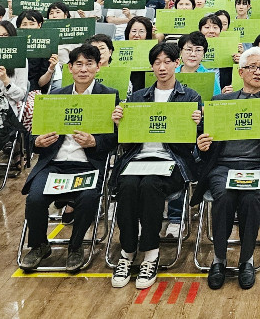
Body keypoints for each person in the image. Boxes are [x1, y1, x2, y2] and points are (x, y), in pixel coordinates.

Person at [193, 47, 260, 291]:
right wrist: (202, 144)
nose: (258, 72)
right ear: (240, 72)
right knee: (224, 197)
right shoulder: (221, 102)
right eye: (252, 67)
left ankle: (246, 260)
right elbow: (203, 140)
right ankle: (219, 260)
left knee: (251, 199)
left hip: (258, 167)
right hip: (224, 167)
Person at [109, 42, 202, 288]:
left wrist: (199, 123)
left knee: (150, 186)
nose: (162, 67)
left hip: (172, 162)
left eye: (167, 62)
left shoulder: (190, 97)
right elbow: (126, 142)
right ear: (152, 67)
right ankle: (127, 252)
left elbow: (197, 140)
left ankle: (150, 252)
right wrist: (118, 124)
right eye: (157, 63)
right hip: (138, 159)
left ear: (176, 64)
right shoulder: (138, 97)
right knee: (127, 185)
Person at [19, 44, 117, 273]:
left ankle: (75, 247)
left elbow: (115, 139)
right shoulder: (55, 96)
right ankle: (39, 245)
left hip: (87, 165)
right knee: (34, 199)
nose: (84, 69)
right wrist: (37, 142)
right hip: (54, 164)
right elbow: (33, 135)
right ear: (70, 68)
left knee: (88, 198)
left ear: (98, 67)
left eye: (89, 64)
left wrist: (95, 142)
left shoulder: (108, 96)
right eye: (78, 65)